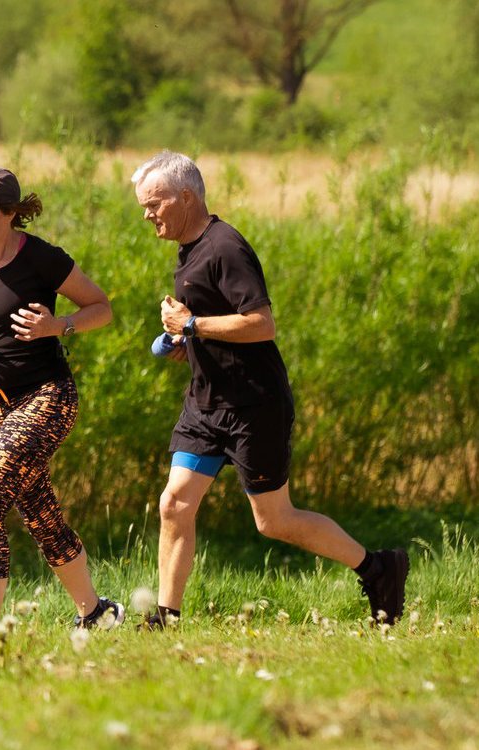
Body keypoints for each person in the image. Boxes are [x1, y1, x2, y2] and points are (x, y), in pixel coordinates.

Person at [128, 150, 409, 628]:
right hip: (204, 404)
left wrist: (193, 324)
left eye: (154, 205)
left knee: (273, 521)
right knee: (174, 503)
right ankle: (166, 617)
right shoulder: (188, 248)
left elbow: (261, 324)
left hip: (252, 406)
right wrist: (188, 341)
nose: (148, 215)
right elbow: (218, 325)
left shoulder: (225, 246)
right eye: (144, 208)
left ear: (187, 196)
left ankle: (378, 567)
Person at [0, 166, 123, 630]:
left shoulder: (43, 259)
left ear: (10, 213)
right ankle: (95, 613)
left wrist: (58, 326)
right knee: (39, 514)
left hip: (46, 396)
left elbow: (102, 308)